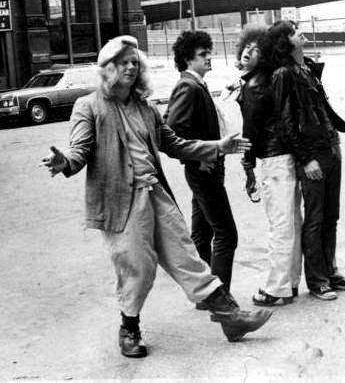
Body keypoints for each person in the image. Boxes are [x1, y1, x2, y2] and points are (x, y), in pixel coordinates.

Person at [41, 35, 272, 358]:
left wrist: (217, 147)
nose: (131, 68)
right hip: (122, 202)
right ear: (108, 68)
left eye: (135, 62)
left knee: (187, 257)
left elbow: (175, 144)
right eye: (123, 62)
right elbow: (79, 151)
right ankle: (129, 329)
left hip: (155, 194)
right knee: (138, 267)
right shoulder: (89, 106)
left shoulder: (146, 107)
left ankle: (231, 318)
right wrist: (64, 162)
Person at [260, 21, 345, 301]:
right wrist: (306, 160)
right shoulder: (283, 74)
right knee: (316, 218)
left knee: (331, 216)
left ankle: (331, 272)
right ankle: (317, 280)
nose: (300, 32)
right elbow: (285, 123)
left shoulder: (306, 68)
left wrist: (334, 143)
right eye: (293, 31)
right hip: (313, 155)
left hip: (330, 148)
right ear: (285, 42)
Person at [165, 30, 239, 308]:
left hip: (206, 169)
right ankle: (220, 300)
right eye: (202, 54)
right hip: (204, 171)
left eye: (209, 52)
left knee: (202, 233)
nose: (209, 58)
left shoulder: (195, 85)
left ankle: (205, 295)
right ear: (188, 59)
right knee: (226, 234)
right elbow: (172, 134)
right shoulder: (189, 87)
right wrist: (200, 156)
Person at [234, 24, 303, 307]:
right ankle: (291, 282)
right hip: (286, 157)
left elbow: (250, 132)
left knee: (280, 225)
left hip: (274, 160)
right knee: (292, 222)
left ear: (264, 54)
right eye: (246, 47)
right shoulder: (268, 78)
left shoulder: (254, 85)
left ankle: (276, 288)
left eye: (255, 49)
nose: (248, 52)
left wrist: (248, 166)